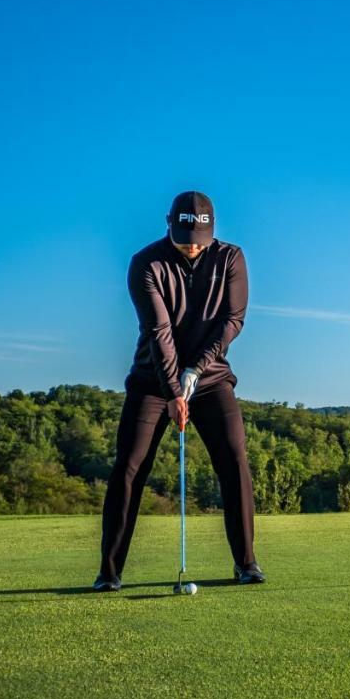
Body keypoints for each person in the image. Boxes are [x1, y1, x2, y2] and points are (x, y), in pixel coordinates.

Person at [93, 191, 265, 591]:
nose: (191, 245)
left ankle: (247, 563)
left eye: (198, 238)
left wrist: (197, 369)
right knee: (130, 467)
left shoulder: (231, 259)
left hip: (212, 379)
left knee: (234, 459)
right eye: (184, 235)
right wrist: (173, 388)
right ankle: (109, 571)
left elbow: (233, 320)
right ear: (169, 223)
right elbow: (159, 331)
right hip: (152, 381)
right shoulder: (145, 263)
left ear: (211, 230)